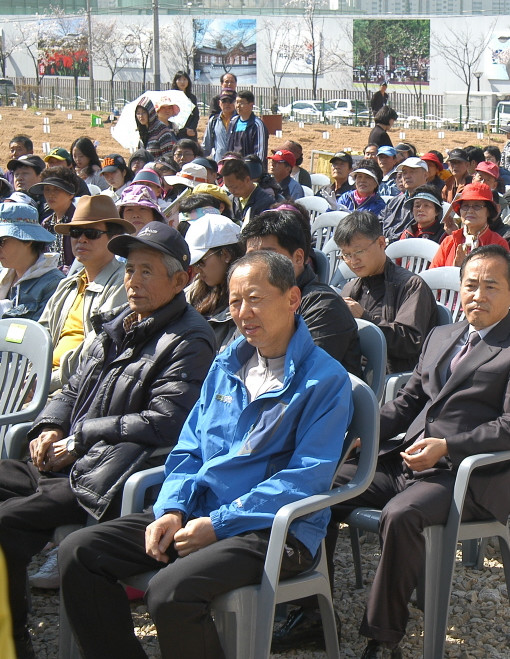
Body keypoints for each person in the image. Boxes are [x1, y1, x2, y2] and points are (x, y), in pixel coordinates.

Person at [58, 249, 353, 659]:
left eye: (255, 298)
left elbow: (305, 478)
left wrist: (218, 524)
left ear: (291, 299)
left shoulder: (325, 380)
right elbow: (189, 447)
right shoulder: (226, 363)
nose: (243, 312)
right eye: (234, 301)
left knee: (170, 592)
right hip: (201, 510)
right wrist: (172, 508)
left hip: (273, 529)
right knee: (79, 552)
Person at [1, 221, 216, 658]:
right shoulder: (120, 322)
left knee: (6, 521)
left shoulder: (189, 339)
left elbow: (166, 422)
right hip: (71, 458)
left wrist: (79, 437)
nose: (133, 281)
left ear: (180, 280)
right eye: (130, 269)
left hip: (110, 474)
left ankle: (13, 640)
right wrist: (50, 426)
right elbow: (73, 389)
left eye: (146, 271)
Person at [342, 244, 510, 659]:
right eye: (471, 285)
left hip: (467, 477)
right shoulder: (443, 335)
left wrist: (448, 447)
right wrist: (361, 433)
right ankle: (309, 606)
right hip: (408, 460)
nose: (478, 295)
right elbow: (408, 401)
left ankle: (383, 639)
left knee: (401, 515)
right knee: (325, 486)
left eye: (491, 286)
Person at [241, 209, 363, 378]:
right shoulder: (250, 301)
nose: (257, 265)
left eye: (268, 256)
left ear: (298, 258)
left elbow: (300, 377)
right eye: (251, 258)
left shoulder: (324, 308)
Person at [38, 195, 133, 389]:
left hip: (78, 388)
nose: (81, 239)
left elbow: (98, 349)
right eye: (75, 232)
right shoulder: (68, 285)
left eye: (91, 233)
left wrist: (45, 382)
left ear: (114, 239)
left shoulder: (122, 284)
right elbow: (41, 333)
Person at [335, 211, 437, 374]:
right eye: (346, 255)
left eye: (359, 251)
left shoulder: (411, 286)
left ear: (381, 243)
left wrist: (365, 318)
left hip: (393, 378)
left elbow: (410, 343)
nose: (353, 261)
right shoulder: (350, 288)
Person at [185, 213, 245, 351]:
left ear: (225, 254)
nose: (195, 270)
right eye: (192, 264)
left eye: (200, 262)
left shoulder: (247, 301)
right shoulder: (193, 291)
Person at [0, 203, 64, 321]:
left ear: (27, 239)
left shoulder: (53, 284)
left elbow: (37, 334)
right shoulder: (3, 274)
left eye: (1, 241)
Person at [430, 183, 509, 268]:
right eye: (465, 206)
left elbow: (498, 278)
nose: (470, 211)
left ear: (489, 211)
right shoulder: (449, 241)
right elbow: (433, 275)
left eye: (477, 206)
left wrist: (462, 269)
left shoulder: (498, 243)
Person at [30, 167, 79, 269]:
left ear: (71, 194)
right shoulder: (46, 223)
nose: (50, 194)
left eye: (57, 189)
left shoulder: (78, 222)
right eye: (47, 189)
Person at [380, 157, 429, 243]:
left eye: (412, 172)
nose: (407, 176)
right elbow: (380, 223)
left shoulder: (429, 204)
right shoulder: (394, 201)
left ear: (425, 175)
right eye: (404, 173)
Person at [221, 157, 276, 224]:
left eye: (234, 187)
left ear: (247, 180)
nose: (231, 191)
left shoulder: (266, 202)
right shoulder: (230, 201)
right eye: (227, 187)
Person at [227, 91, 268, 158]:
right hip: (234, 166)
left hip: (250, 166)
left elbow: (260, 153)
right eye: (237, 102)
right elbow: (229, 147)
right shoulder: (233, 122)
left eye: (242, 103)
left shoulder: (257, 125)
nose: (238, 106)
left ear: (251, 105)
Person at [202, 89, 236, 162]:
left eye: (230, 101)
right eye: (224, 101)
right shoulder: (214, 121)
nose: (227, 104)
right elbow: (206, 147)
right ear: (219, 103)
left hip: (237, 166)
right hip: (219, 165)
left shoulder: (241, 121)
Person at [170, 71, 199, 140]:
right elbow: (171, 116)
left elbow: (195, 115)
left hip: (190, 131)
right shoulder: (171, 97)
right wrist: (184, 130)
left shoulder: (192, 98)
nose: (182, 82)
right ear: (175, 82)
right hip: (176, 131)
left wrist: (191, 128)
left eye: (184, 79)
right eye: (179, 79)